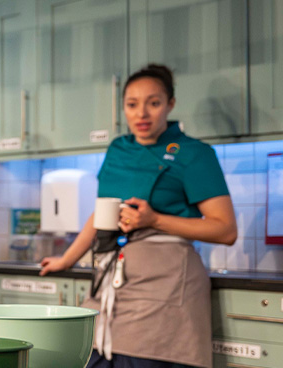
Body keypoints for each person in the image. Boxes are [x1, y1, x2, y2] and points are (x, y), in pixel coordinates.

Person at [40, 64, 236, 368]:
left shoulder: (195, 154)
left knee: (143, 358)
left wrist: (155, 220)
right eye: (132, 104)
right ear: (123, 108)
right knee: (89, 354)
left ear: (170, 105)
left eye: (153, 103)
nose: (141, 113)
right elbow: (101, 213)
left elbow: (225, 230)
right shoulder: (118, 149)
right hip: (109, 282)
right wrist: (67, 259)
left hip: (166, 287)